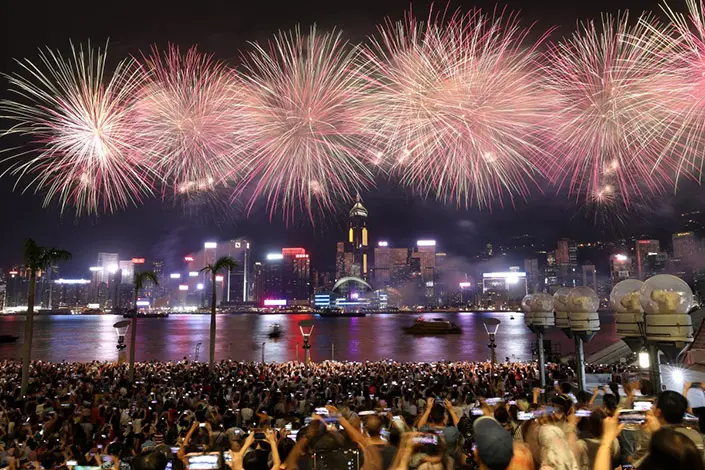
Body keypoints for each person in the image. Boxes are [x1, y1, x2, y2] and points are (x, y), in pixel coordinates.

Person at [632, 390, 705, 467]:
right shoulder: (695, 435)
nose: (652, 407)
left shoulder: (652, 436)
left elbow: (637, 463)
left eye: (654, 404)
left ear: (658, 412)